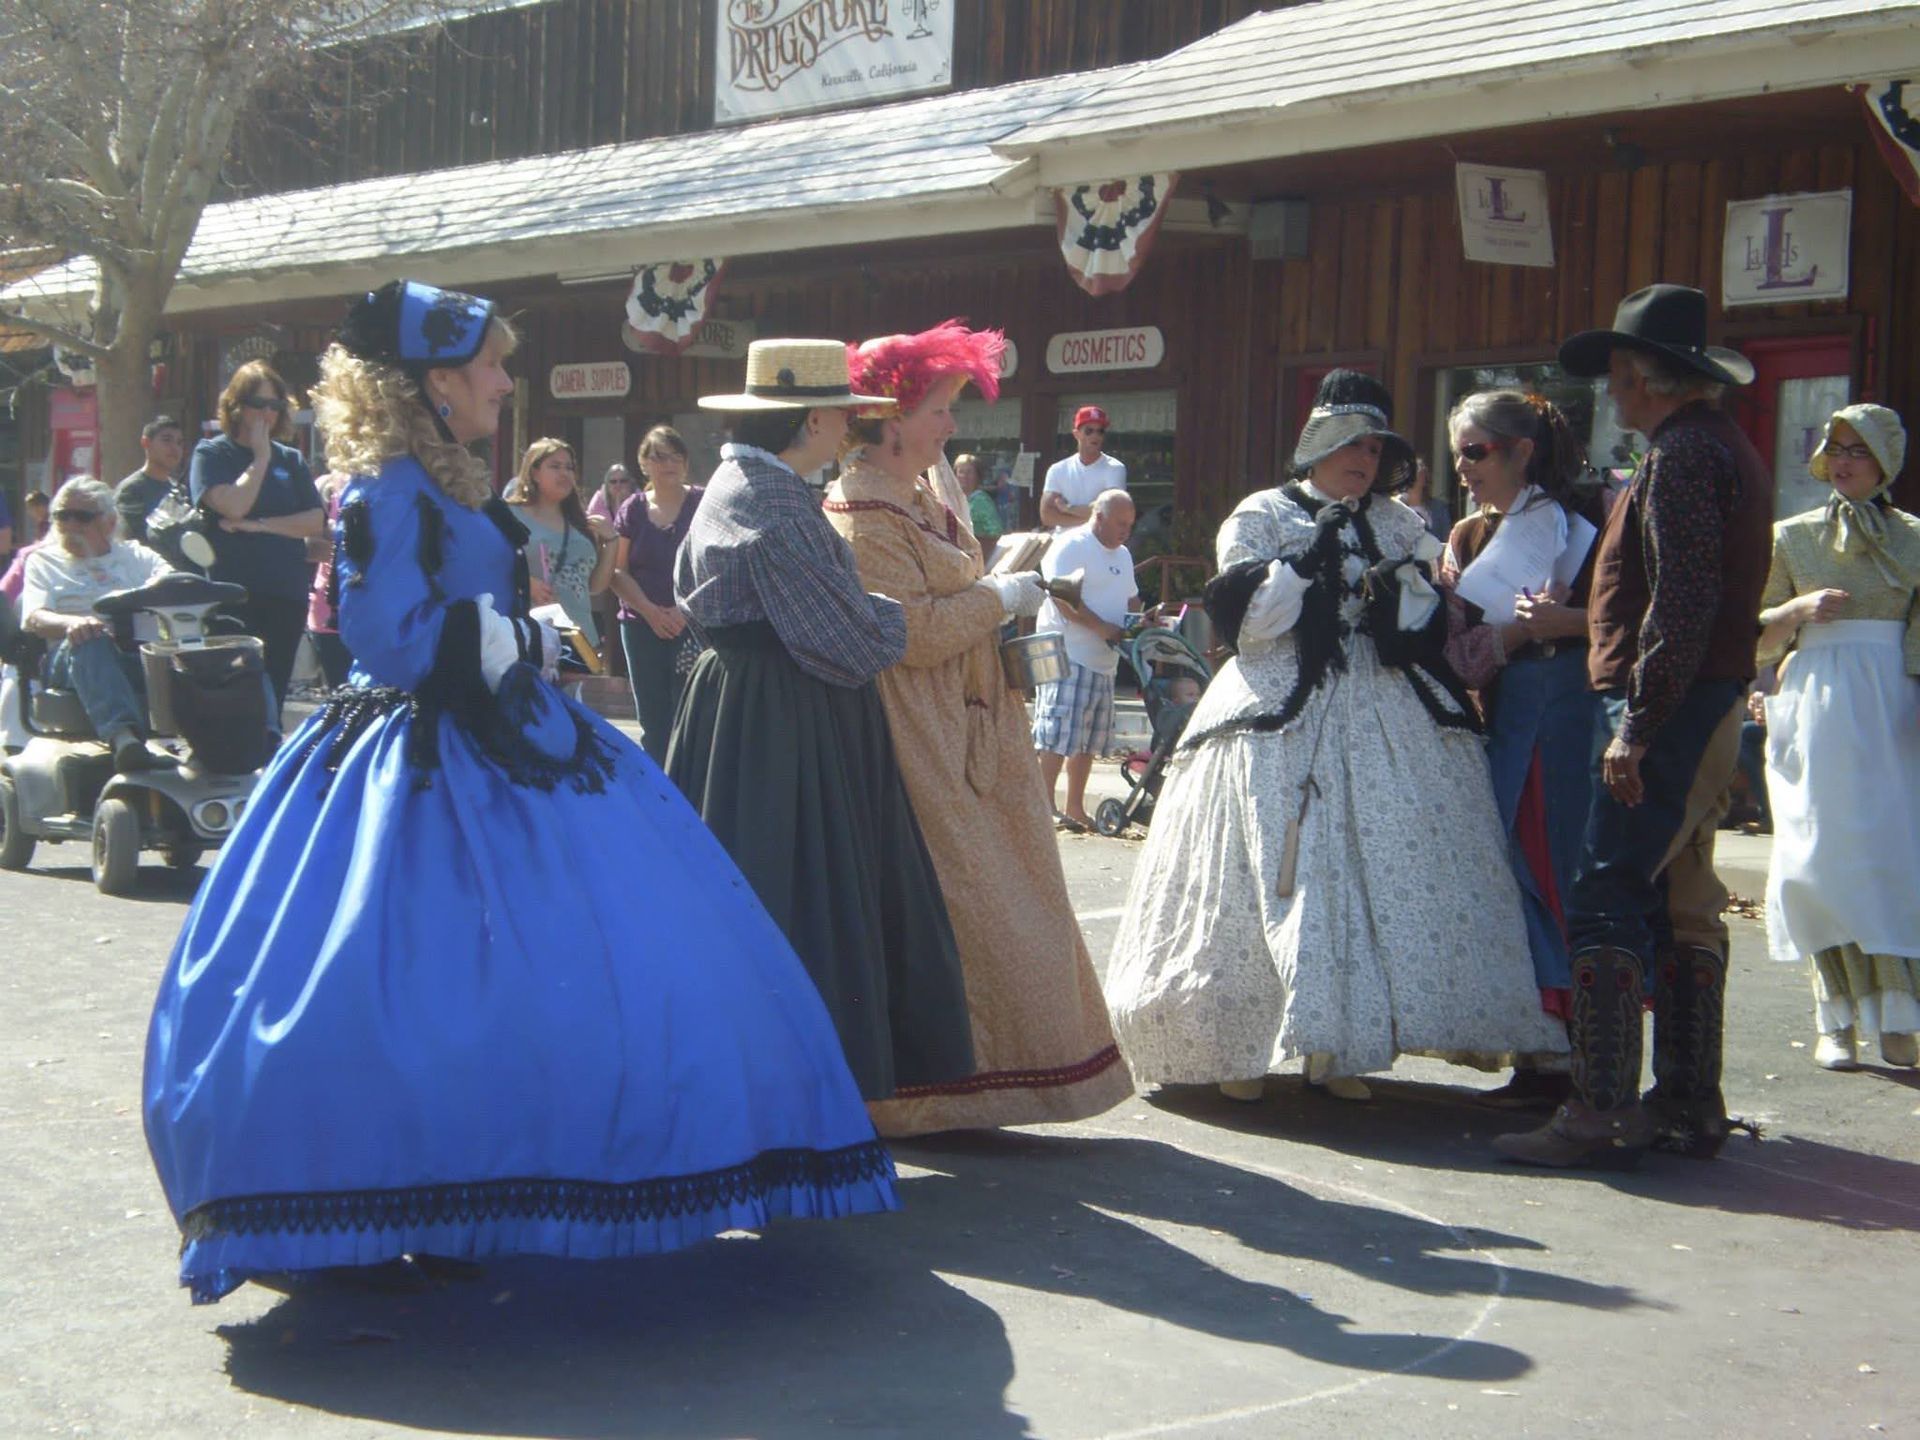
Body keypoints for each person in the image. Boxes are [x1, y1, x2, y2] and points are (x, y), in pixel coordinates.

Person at [142, 281, 897, 1306]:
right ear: (436, 383)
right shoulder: (385, 489)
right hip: (412, 761)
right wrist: (523, 638)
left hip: (507, 734)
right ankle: (383, 1201)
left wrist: (522, 639)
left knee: (540, 976)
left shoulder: (445, 481)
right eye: (490, 364)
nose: (507, 380)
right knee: (398, 982)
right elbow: (388, 635)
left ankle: (464, 1195)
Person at [1104, 370, 1566, 1104]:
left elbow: (1428, 624)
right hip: (1277, 704)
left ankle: (1340, 1048)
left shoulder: (1397, 522)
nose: (1364, 459)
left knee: (1372, 858)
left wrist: (1400, 594)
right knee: (1268, 863)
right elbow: (1248, 623)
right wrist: (1305, 564)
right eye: (1351, 444)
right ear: (1317, 447)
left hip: (1385, 703)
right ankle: (1235, 1049)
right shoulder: (1262, 512)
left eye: (1375, 448)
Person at [828, 321, 1131, 1135]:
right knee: (962, 899)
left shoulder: (924, 494)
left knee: (1004, 895)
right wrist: (1001, 596)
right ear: (891, 418)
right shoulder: (859, 506)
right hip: (917, 729)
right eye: (940, 409)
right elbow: (909, 631)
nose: (952, 426)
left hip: (970, 718)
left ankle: (984, 1080)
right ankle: (936, 1090)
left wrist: (1005, 578)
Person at [1496, 284, 1771, 1168]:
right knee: (1681, 900)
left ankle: (1602, 1109)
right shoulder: (1711, 447)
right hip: (1703, 699)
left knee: (1607, 891)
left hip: (1673, 705)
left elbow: (1681, 606)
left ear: (1650, 379)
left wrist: (1636, 727)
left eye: (1620, 377)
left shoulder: (1686, 456)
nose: (1613, 394)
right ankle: (1687, 1104)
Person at [667, 338, 976, 1101]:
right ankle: (796, 1083)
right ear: (810, 421)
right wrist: (924, 616)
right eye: (841, 417)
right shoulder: (772, 506)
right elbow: (851, 643)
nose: (849, 432)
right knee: (797, 891)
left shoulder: (737, 485)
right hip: (783, 719)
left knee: (758, 888)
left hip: (746, 705)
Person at [1441, 391, 1607, 1108]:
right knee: (1514, 861)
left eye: (1476, 451)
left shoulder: (1589, 521)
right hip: (1507, 707)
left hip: (1567, 710)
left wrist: (1569, 621)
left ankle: (1580, 1047)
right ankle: (1540, 1045)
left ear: (1521, 451)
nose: (1463, 466)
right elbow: (1453, 646)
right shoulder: (1468, 537)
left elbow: (1634, 618)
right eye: (1457, 453)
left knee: (1554, 861)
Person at [1754, 403, 1920, 1072]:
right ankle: (1836, 1016)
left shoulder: (1914, 537)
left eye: (1860, 449)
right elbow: (1756, 629)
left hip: (1892, 706)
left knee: (1887, 858)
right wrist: (1795, 611)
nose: (1845, 460)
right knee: (1819, 859)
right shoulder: (1792, 536)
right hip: (1817, 701)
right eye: (1837, 448)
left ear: (1886, 459)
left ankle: (1899, 1015)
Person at [190, 362, 325, 714]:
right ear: (236, 405)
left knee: (274, 686)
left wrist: (261, 525)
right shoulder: (212, 454)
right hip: (233, 593)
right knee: (240, 687)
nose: (266, 413)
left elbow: (314, 520)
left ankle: (265, 756)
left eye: (274, 406)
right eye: (257, 404)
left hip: (285, 592)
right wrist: (261, 457)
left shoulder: (292, 460)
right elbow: (234, 506)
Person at [17, 477, 175, 771]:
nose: (70, 525)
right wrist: (72, 623)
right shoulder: (44, 561)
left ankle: (251, 742)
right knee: (90, 638)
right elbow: (34, 616)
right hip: (72, 656)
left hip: (136, 654)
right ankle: (124, 739)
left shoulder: (136, 556)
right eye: (63, 515)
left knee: (227, 651)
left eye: (83, 516)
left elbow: (172, 584)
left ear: (110, 522)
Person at [1032, 489, 1138, 832]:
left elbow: (1132, 597)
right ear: (1100, 516)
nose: (1126, 531)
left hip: (1103, 659)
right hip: (1068, 652)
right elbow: (1062, 598)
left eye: (1130, 524)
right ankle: (1043, 807)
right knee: (1057, 734)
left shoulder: (1122, 555)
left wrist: (1141, 620)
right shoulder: (1071, 545)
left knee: (1089, 740)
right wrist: (1101, 627)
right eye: (1121, 523)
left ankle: (1075, 807)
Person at [609, 426, 701, 762]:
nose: (669, 464)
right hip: (640, 624)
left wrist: (684, 611)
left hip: (693, 623)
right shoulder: (632, 509)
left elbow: (717, 568)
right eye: (659, 456)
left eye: (676, 455)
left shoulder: (702, 503)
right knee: (654, 720)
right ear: (644, 463)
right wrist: (649, 610)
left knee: (693, 714)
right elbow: (617, 572)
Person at [505, 438, 616, 655]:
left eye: (569, 468)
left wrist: (611, 542)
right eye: (555, 467)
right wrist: (527, 583)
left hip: (580, 638)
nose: (564, 474)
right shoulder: (510, 515)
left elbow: (594, 586)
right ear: (534, 472)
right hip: (531, 634)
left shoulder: (580, 523)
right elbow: (490, 564)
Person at [302, 471, 354, 690]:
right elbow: (311, 549)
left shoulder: (396, 485)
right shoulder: (326, 486)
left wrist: (334, 536)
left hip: (378, 614)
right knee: (341, 697)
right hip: (330, 615)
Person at [1040, 405, 1127, 531]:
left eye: (1100, 431)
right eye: (1089, 431)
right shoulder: (1057, 470)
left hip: (1100, 545)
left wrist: (1068, 509)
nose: (1095, 436)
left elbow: (1111, 511)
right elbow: (1047, 515)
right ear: (1076, 434)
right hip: (1065, 545)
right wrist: (1090, 519)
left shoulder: (1115, 468)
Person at [115, 416, 188, 543]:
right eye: (167, 440)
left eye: (179, 443)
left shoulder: (179, 490)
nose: (175, 448)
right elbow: (131, 540)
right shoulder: (131, 490)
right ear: (146, 443)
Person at [954, 452, 1003, 544]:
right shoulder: (954, 499)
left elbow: (996, 532)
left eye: (969, 472)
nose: (965, 476)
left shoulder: (981, 500)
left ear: (977, 475)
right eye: (961, 472)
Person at [1401, 456, 1452, 539]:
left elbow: (1447, 538)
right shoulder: (1397, 507)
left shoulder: (1439, 507)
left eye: (1420, 469)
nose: (1417, 474)